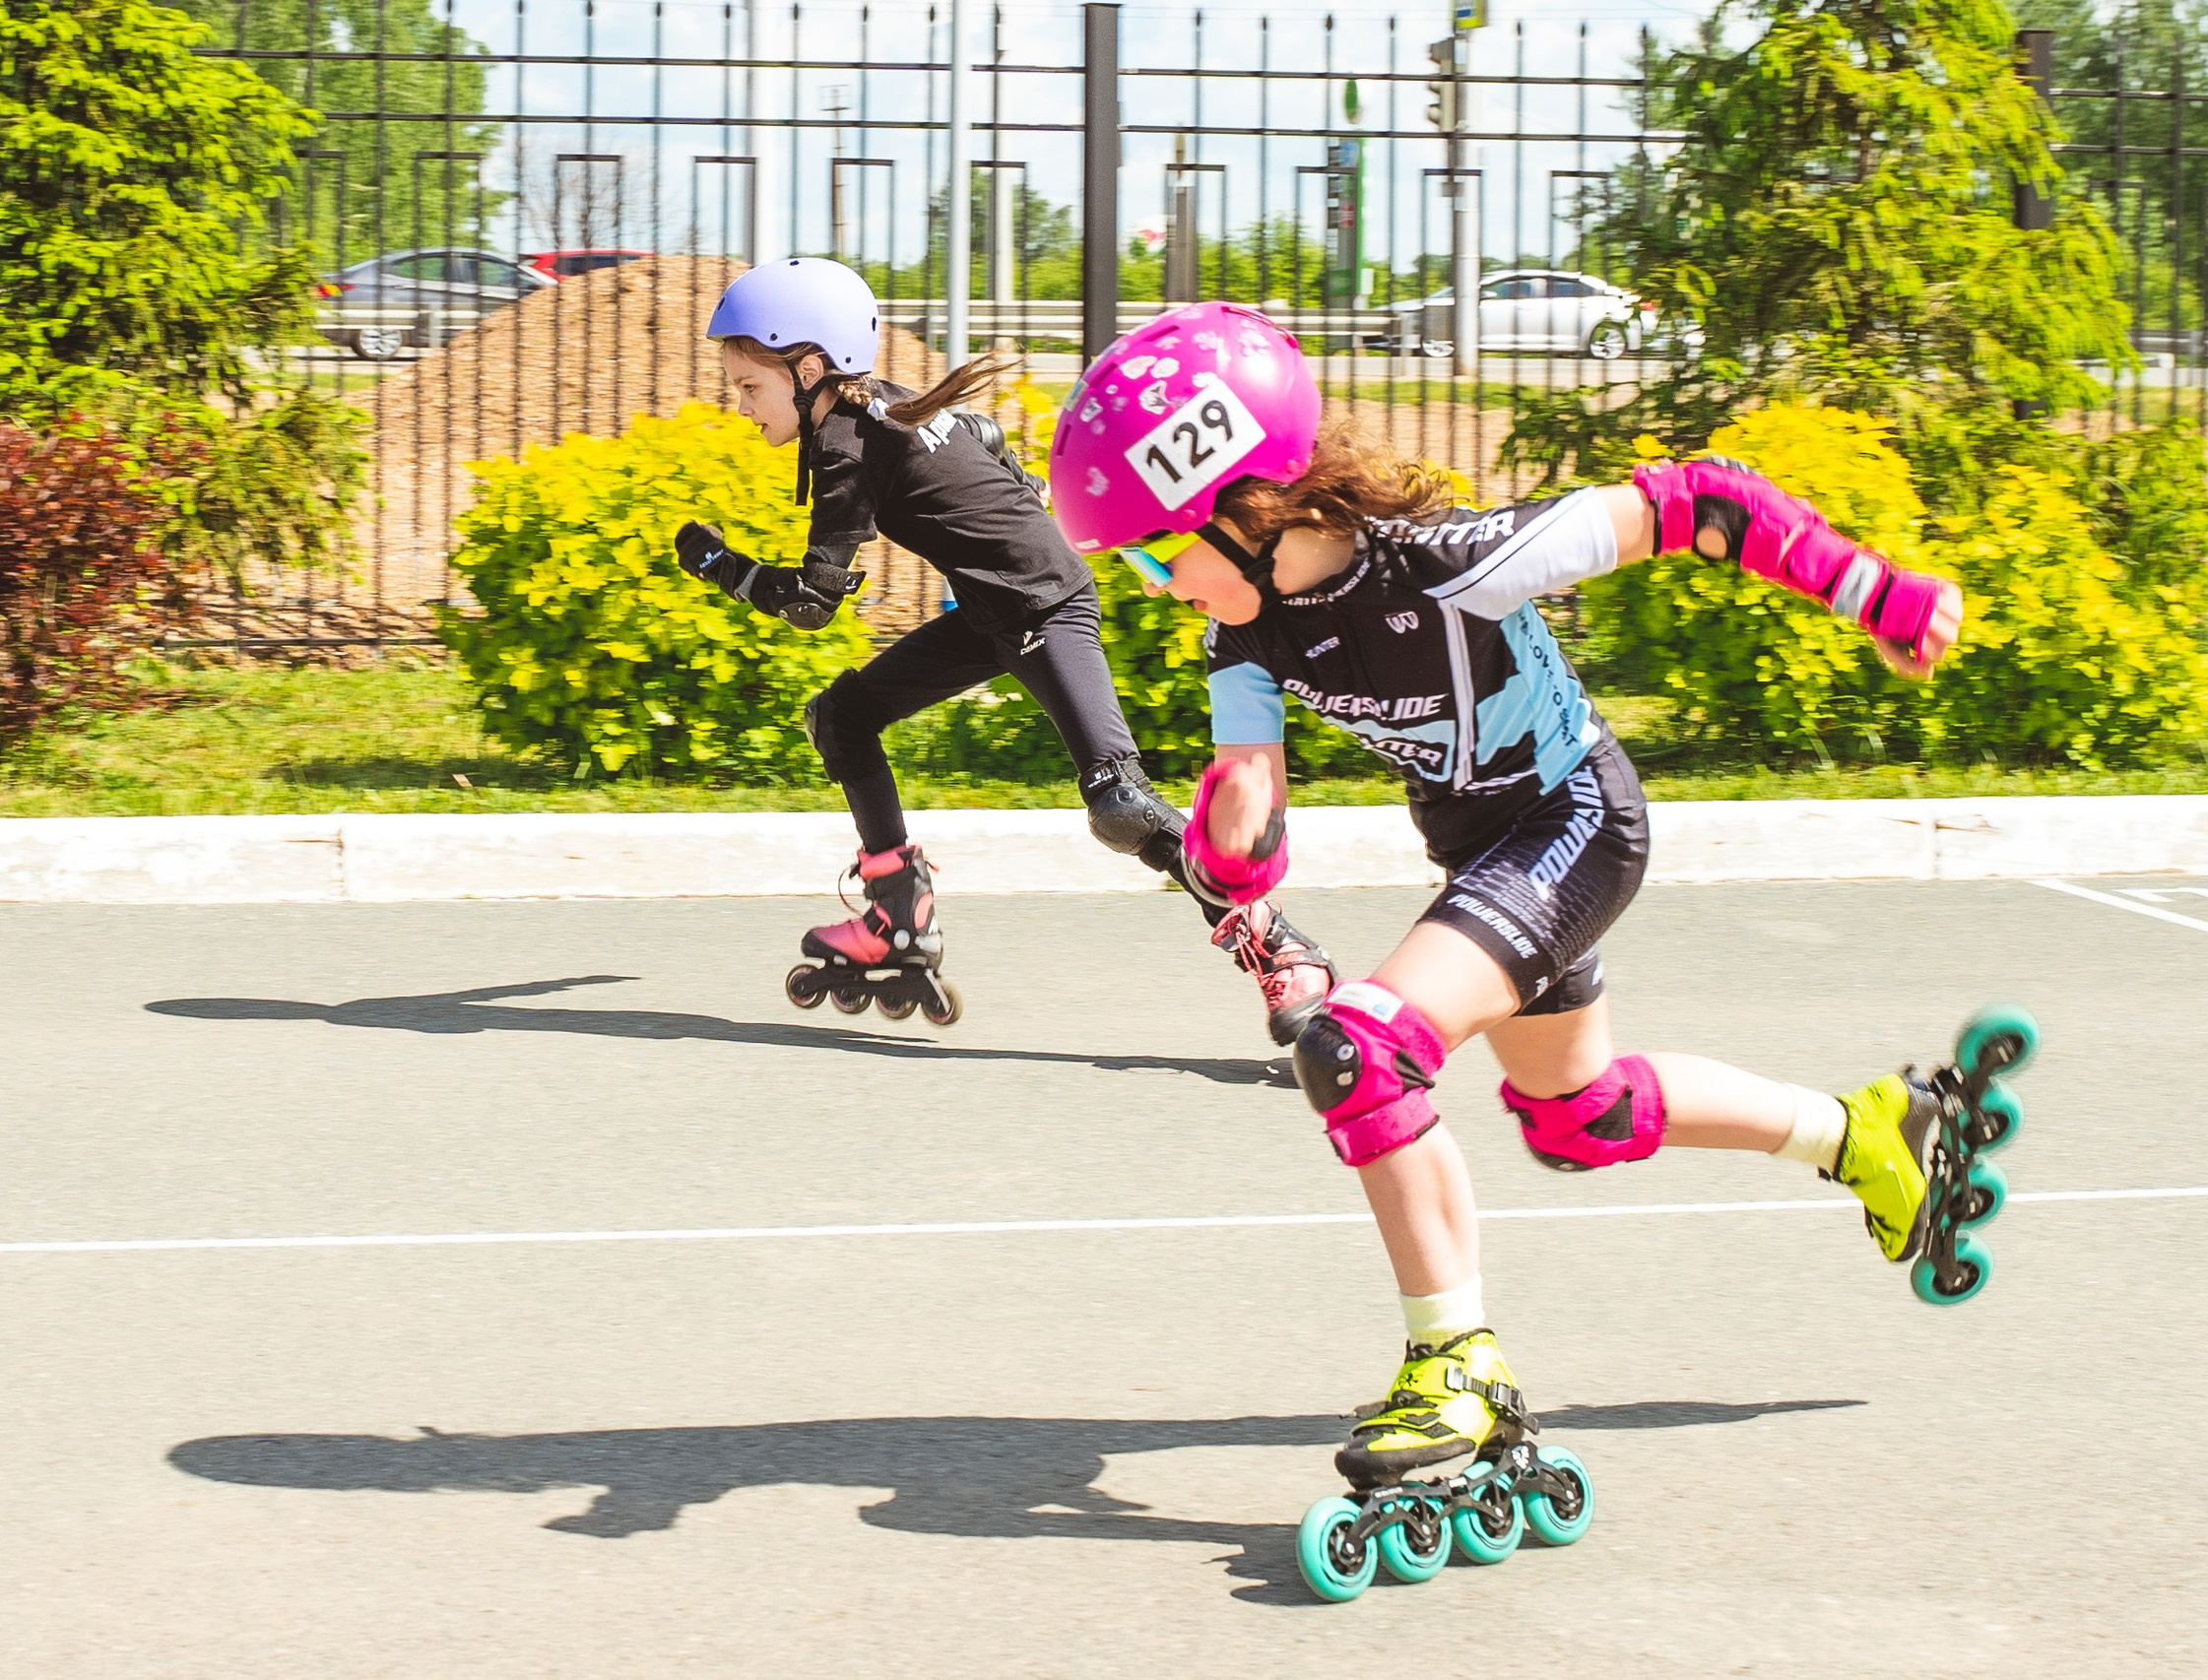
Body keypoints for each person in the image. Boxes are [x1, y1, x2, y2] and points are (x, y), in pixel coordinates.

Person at [1048, 302, 1976, 1511]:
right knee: (1577, 1115)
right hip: (1489, 855)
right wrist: (1235, 840)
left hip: (1575, 822)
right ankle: (1865, 1133)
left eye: (1153, 554)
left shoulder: (1448, 565)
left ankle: (1455, 1365)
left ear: (1243, 505)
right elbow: (1252, 812)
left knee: (1357, 1048)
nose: (1153, 585)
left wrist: (1873, 589)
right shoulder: (1246, 635)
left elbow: (1697, 496)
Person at [676, 259, 1334, 1039]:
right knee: (841, 718)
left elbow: (814, 605)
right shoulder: (881, 406)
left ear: (809, 367)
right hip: (995, 610)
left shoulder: (844, 447)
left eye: (751, 387)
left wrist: (721, 566)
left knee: (1118, 802)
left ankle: (1278, 944)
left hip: (1047, 606)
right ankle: (896, 914)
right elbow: (982, 439)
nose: (741, 406)